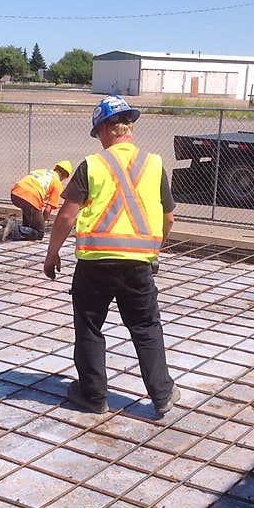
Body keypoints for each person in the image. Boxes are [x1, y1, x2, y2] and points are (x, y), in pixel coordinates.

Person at [42, 94, 180, 416]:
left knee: (89, 328)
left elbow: (66, 216)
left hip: (96, 264)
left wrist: (52, 254)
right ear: (128, 128)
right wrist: (154, 249)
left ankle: (93, 396)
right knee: (146, 327)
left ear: (105, 129)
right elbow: (169, 217)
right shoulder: (153, 164)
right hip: (137, 266)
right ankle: (161, 395)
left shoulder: (92, 165)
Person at [1, 160, 72, 241]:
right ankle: (12, 228)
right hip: (30, 199)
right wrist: (41, 222)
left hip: (15, 194)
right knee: (39, 233)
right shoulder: (57, 184)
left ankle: (17, 227)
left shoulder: (41, 171)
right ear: (64, 175)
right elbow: (48, 210)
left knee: (29, 211)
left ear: (55, 168)